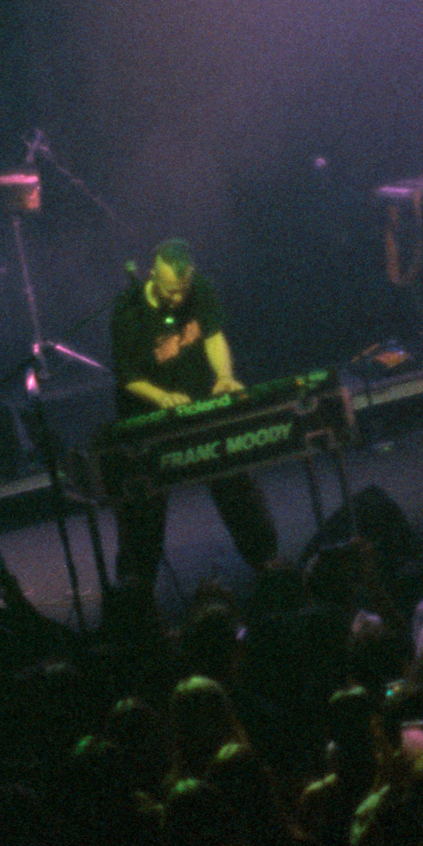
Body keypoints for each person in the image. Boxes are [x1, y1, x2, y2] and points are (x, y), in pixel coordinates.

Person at [109, 239, 279, 590]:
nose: (177, 298)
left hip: (199, 404)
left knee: (234, 483)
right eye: (170, 291)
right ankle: (136, 590)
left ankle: (269, 564)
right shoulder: (128, 310)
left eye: (182, 289)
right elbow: (127, 376)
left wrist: (225, 376)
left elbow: (213, 335)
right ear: (153, 274)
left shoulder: (199, 288)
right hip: (148, 420)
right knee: (143, 509)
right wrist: (162, 397)